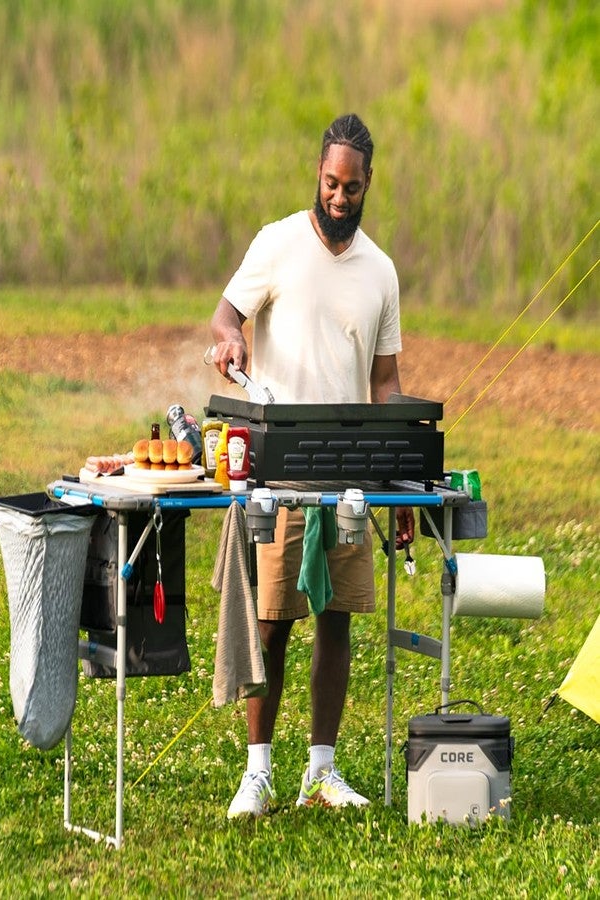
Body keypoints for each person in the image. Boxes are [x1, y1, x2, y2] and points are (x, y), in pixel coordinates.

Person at [210, 113, 415, 818]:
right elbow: (225, 317)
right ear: (317, 175)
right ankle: (258, 773)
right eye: (330, 182)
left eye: (351, 186)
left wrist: (402, 461)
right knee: (271, 620)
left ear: (367, 185)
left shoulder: (380, 272)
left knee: (337, 619)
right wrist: (230, 341)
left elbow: (385, 383)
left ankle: (320, 772)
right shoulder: (276, 244)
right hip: (278, 469)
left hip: (349, 470)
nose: (338, 196)